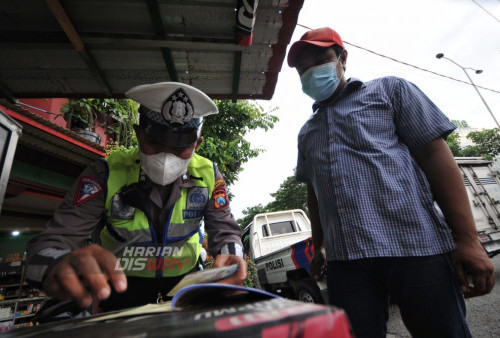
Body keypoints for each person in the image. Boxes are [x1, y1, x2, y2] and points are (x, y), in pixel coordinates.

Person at [287, 27, 495, 338]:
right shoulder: (307, 132)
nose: (311, 71)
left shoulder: (389, 91)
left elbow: (435, 155)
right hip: (346, 263)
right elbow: (314, 192)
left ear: (342, 58)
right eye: (304, 67)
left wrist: (467, 239)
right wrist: (319, 245)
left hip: (415, 248)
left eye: (321, 59)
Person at [25, 82, 247, 312]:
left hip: (185, 282)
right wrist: (55, 266)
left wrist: (231, 257)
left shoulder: (209, 174)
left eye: (180, 148)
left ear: (197, 144)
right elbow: (51, 243)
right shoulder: (105, 173)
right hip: (121, 284)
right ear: (138, 133)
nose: (166, 157)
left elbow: (224, 228)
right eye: (155, 143)